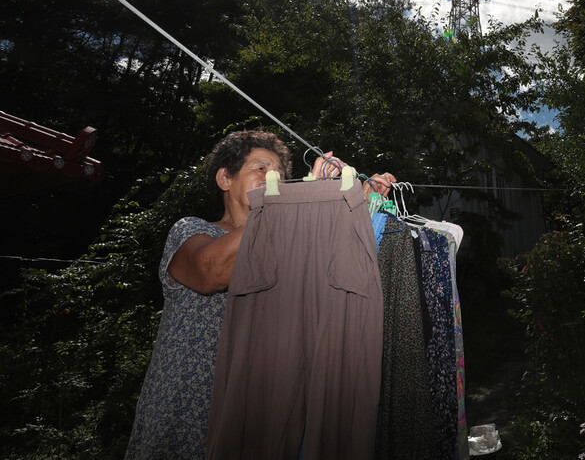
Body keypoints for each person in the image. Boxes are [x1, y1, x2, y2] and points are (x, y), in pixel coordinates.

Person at [124, 130, 395, 459]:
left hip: (253, 420)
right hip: (184, 415)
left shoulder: (288, 250)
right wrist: (302, 197)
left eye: (280, 175)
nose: (274, 179)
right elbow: (212, 271)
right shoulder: (193, 231)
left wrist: (356, 205)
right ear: (225, 177)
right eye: (262, 169)